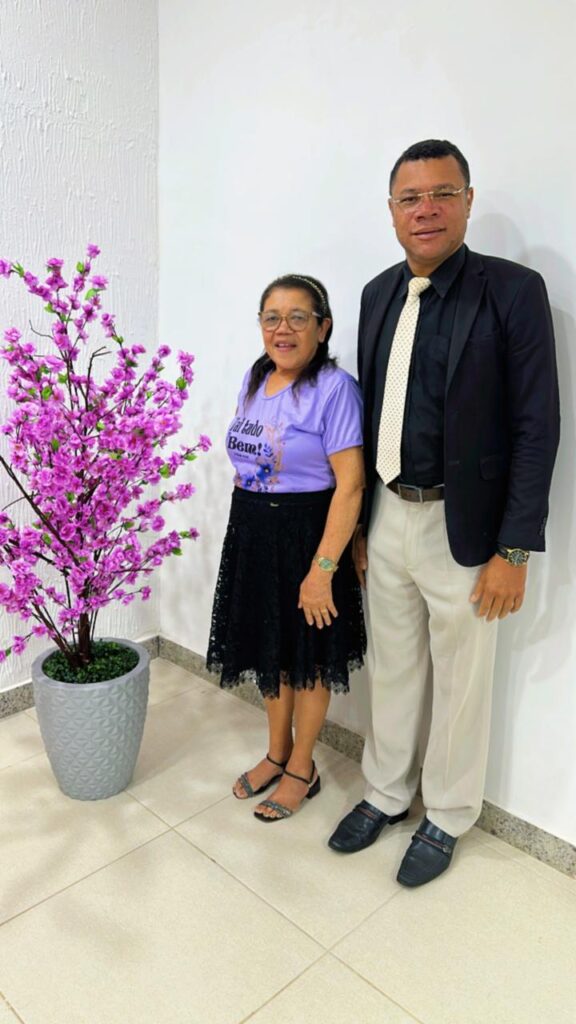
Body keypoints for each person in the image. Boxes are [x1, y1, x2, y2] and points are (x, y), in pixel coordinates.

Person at [328, 139, 559, 885]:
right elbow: (368, 413)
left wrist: (513, 549)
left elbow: (537, 426)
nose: (425, 209)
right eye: (410, 198)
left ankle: (450, 813)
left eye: (442, 194)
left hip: (467, 527)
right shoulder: (377, 293)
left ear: (467, 201)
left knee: (462, 682)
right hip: (387, 514)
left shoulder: (512, 291)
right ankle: (386, 792)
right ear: (392, 210)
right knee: (392, 668)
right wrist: (358, 526)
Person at [207, 274, 366, 821]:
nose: (283, 329)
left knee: (309, 658)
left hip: (308, 534)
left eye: (298, 317)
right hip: (253, 530)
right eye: (271, 317)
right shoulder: (256, 379)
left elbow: (351, 485)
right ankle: (276, 753)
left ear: (322, 327)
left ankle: (302, 766)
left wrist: (322, 570)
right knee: (270, 651)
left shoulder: (335, 389)